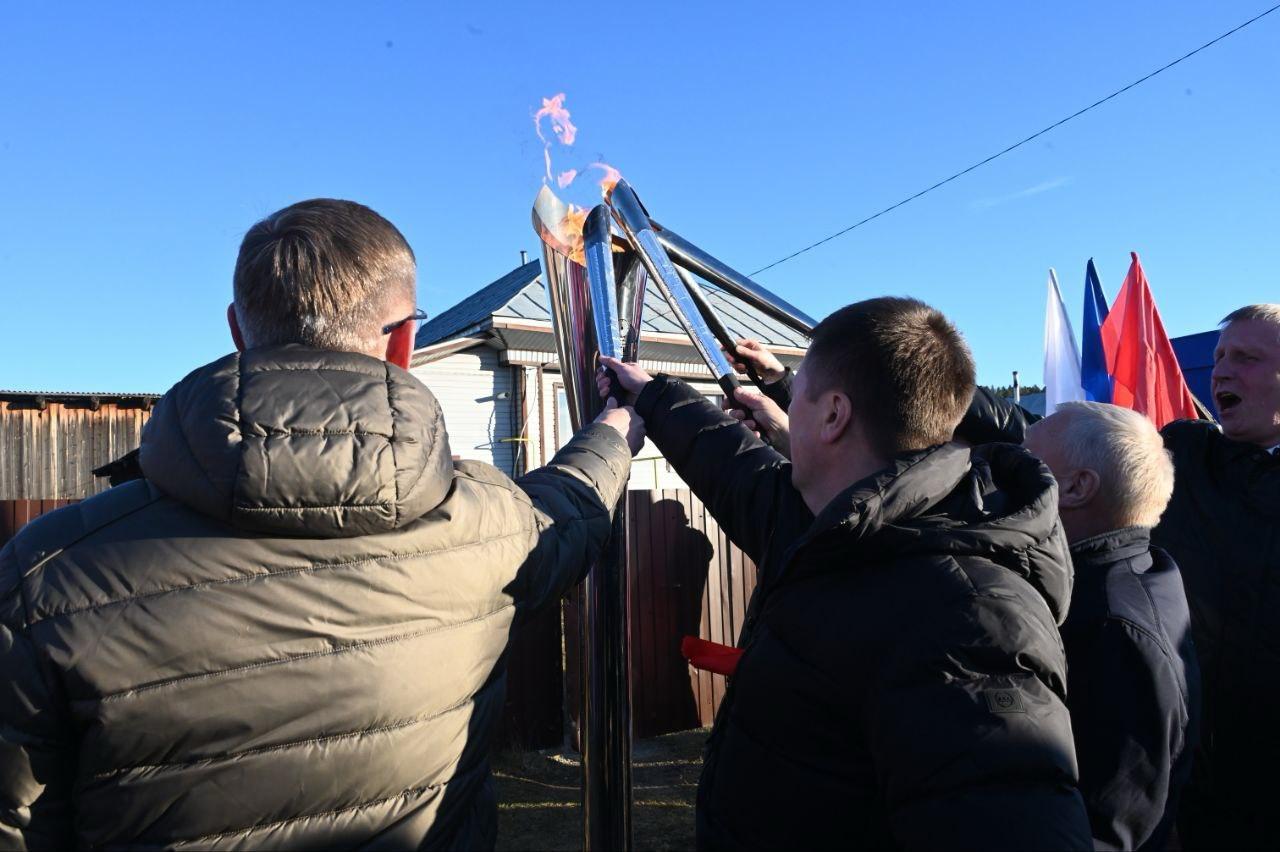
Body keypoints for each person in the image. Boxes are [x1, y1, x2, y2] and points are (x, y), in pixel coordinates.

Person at [0, 199, 644, 850]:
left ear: (238, 330)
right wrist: (613, 431)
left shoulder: (44, 575)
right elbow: (572, 509)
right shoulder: (489, 523)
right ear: (403, 341)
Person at [600, 298, 1091, 850]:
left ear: (834, 415)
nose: (784, 405)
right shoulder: (832, 525)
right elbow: (737, 468)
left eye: (798, 390)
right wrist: (656, 396)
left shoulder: (974, 620)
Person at [949, 304, 1280, 849]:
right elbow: (1077, 446)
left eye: (1245, 358)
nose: (1221, 371)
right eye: (1220, 357)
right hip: (1173, 771)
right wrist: (953, 392)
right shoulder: (1195, 455)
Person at [1023, 402, 1199, 851]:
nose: (1007, 472)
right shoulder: (1133, 570)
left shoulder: (1115, 630)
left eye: (1027, 459)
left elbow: (1106, 830)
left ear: (1077, 488)